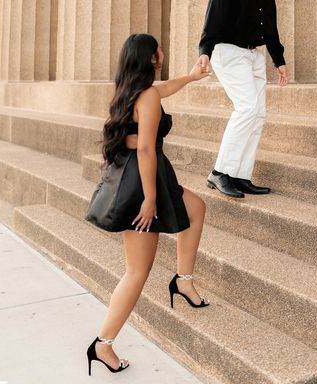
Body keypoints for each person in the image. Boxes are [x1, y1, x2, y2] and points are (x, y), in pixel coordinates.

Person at [87, 33, 210, 376]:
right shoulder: (148, 96)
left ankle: (183, 280)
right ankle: (103, 344)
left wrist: (191, 77)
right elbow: (144, 148)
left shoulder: (132, 91)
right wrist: (151, 198)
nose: (163, 50)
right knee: (137, 271)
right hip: (145, 183)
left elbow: (163, 90)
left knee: (196, 208)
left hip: (146, 178)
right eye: (159, 47)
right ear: (151, 57)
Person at [197, 0, 288, 198]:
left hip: (253, 55)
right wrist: (205, 50)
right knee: (247, 108)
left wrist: (279, 60)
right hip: (227, 52)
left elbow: (270, 27)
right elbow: (211, 18)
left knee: (258, 113)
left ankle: (239, 175)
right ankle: (219, 173)